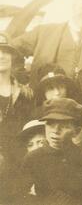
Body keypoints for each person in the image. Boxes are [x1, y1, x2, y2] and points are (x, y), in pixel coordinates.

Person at [18, 98, 82, 205]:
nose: (55, 131)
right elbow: (20, 195)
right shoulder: (33, 158)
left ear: (76, 131)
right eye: (50, 124)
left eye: (64, 126)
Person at [0, 32, 34, 166]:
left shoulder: (26, 93)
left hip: (19, 161)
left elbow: (30, 130)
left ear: (12, 56)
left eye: (6, 51)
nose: (1, 56)